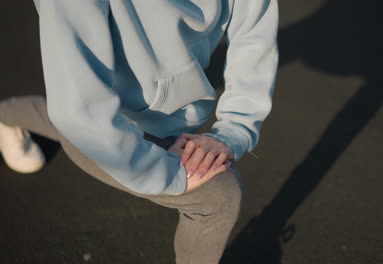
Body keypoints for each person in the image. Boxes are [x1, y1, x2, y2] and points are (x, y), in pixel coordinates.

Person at [0, 0, 279, 263]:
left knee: (63, 108)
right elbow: (79, 112)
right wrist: (161, 172)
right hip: (103, 118)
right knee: (219, 196)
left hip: (155, 107)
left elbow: (253, 34)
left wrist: (235, 128)